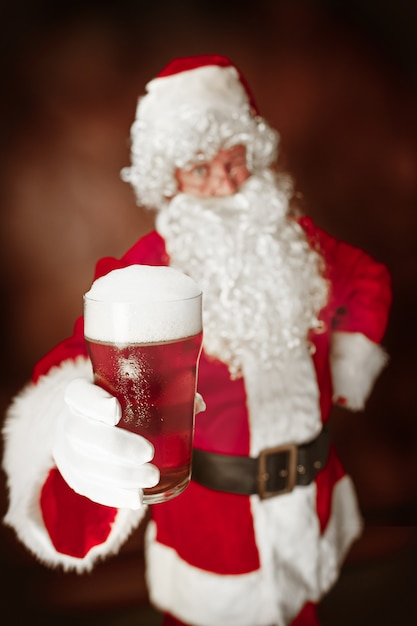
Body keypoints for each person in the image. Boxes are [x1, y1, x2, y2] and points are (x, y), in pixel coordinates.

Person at [2, 55, 392, 626]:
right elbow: (80, 362)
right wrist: (68, 429)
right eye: (201, 169)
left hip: (312, 505)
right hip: (214, 530)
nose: (226, 184)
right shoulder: (148, 272)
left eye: (235, 162)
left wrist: (349, 362)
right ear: (171, 179)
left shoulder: (298, 243)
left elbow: (367, 279)